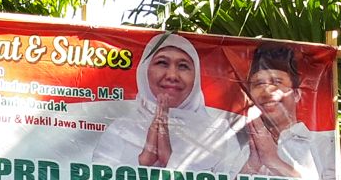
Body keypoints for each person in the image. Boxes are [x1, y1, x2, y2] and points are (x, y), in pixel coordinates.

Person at [92, 32, 245, 172]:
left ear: (196, 77)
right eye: (162, 63)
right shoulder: (121, 130)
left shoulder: (219, 134)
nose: (172, 75)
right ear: (145, 71)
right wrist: (143, 160)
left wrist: (170, 160)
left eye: (183, 66)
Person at [238, 44, 336, 180]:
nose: (267, 92)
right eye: (258, 84)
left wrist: (272, 160)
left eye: (277, 82)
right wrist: (252, 165)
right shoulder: (236, 145)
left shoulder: (324, 146)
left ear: (296, 94)